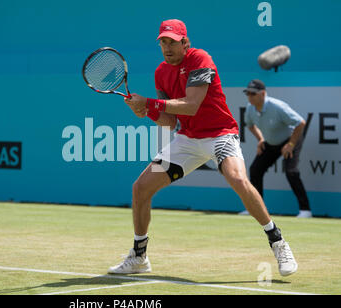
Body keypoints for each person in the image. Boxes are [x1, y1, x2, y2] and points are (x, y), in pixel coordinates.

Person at [107, 19, 298, 276]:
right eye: (162, 42)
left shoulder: (200, 59)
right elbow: (170, 120)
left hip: (220, 134)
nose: (167, 47)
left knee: (238, 179)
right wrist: (145, 111)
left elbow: (192, 104)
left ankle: (277, 241)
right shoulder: (160, 72)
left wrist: (151, 103)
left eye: (172, 42)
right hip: (187, 140)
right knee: (141, 188)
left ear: (185, 42)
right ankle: (139, 256)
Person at [243, 79, 311, 218]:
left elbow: (300, 123)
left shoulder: (278, 106)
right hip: (270, 143)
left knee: (291, 171)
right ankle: (257, 209)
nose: (249, 96)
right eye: (248, 93)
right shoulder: (250, 108)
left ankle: (306, 210)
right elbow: (250, 125)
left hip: (291, 139)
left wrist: (291, 144)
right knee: (255, 170)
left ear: (262, 94)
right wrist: (261, 139)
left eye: (253, 94)